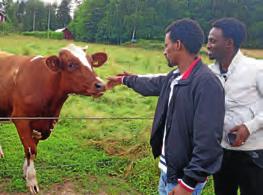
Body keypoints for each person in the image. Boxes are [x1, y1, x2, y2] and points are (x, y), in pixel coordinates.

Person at [107, 18, 225, 195]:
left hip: (183, 179)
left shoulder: (206, 84)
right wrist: (125, 80)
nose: (164, 52)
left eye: (166, 45)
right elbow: (152, 84)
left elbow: (208, 142)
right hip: (168, 172)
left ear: (178, 45)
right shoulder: (175, 77)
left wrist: (188, 184)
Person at [207, 17, 263, 195]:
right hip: (222, 152)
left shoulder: (256, 69)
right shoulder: (210, 73)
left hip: (254, 155)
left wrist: (249, 127)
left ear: (229, 43)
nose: (208, 45)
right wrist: (129, 79)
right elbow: (172, 78)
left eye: (213, 41)